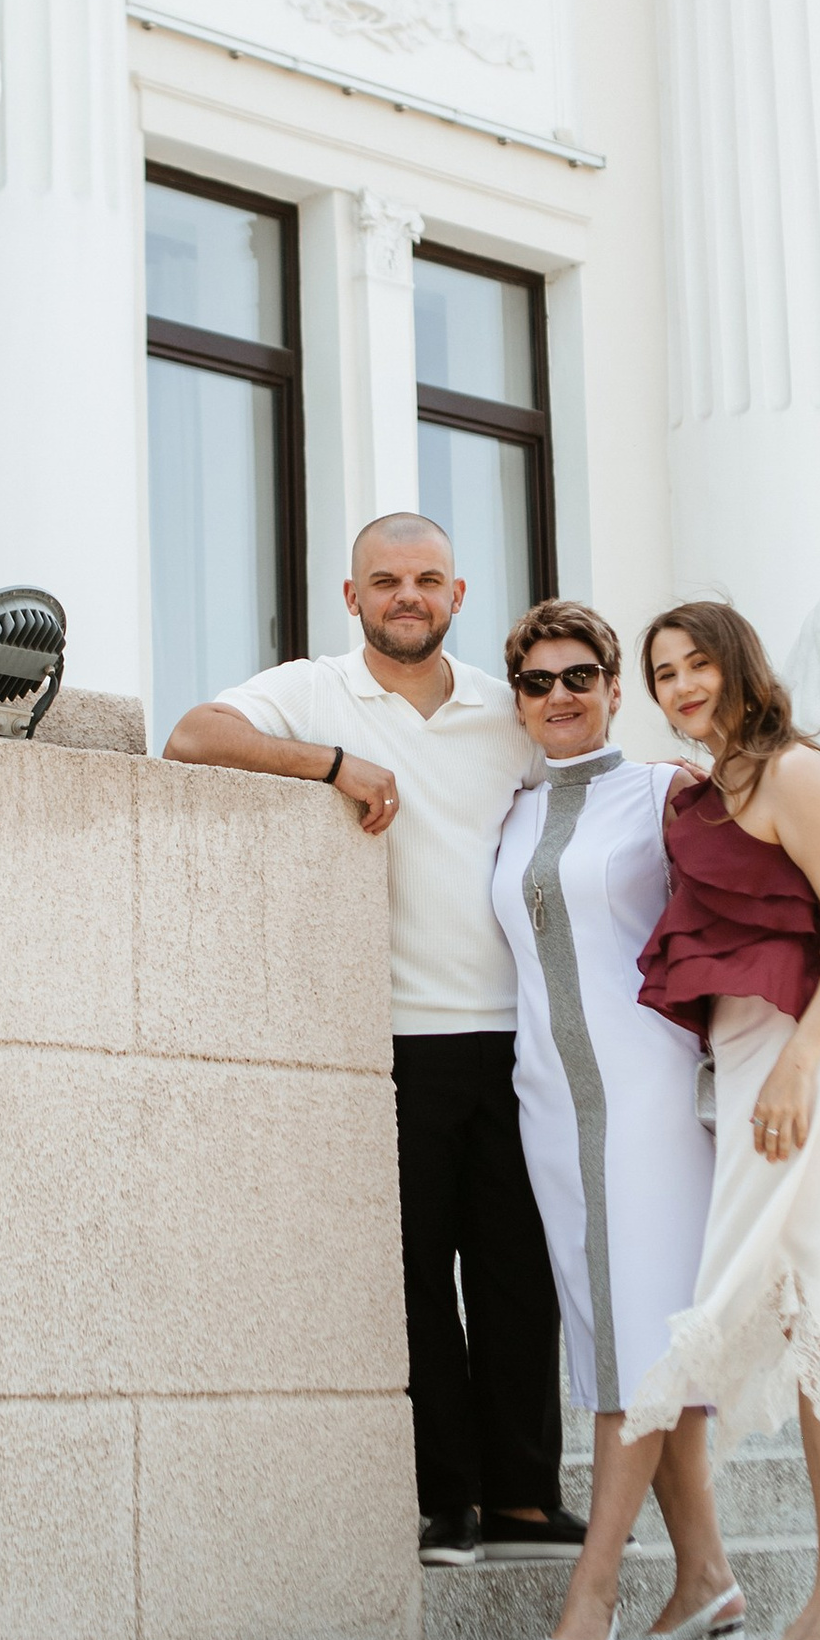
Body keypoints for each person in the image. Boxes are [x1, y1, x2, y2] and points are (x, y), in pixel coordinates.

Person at [161, 514, 583, 1568]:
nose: (409, 596)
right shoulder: (312, 689)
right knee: (414, 1280)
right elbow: (192, 737)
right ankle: (446, 1500)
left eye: (428, 580)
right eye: (386, 580)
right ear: (352, 598)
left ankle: (526, 1497)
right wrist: (331, 762)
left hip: (518, 1039)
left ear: (458, 595)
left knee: (520, 1272)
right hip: (396, 1041)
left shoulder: (509, 711)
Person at [625, 599, 820, 1640]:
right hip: (755, 1062)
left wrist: (797, 1064)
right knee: (795, 1304)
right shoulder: (699, 796)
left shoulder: (792, 774)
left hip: (818, 1055)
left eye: (697, 663)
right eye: (663, 673)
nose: (682, 686)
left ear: (739, 666)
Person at [491, 602, 745, 1640]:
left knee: (631, 1343)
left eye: (581, 676)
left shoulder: (664, 793)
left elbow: (746, 904)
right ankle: (706, 1581)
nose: (561, 696)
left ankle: (593, 1589)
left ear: (613, 688)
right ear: (519, 701)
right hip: (549, 1103)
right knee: (627, 1334)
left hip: (643, 1099)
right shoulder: (510, 812)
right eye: (539, 682)